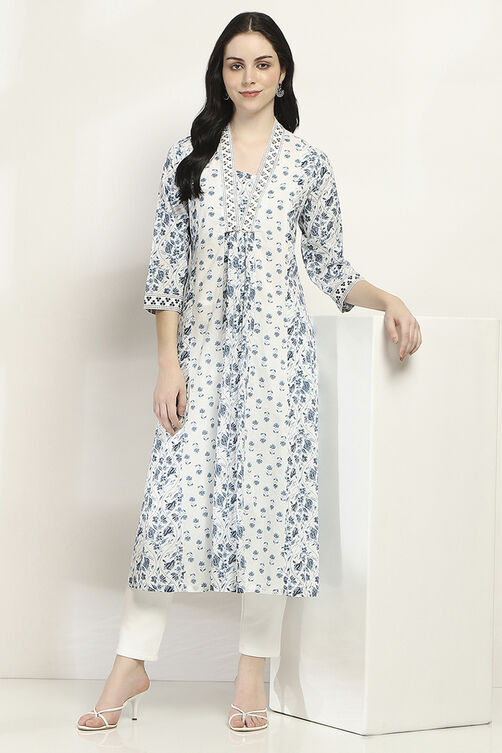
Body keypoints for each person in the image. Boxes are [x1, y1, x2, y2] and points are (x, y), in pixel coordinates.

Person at [77, 11, 422, 733]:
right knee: (170, 509)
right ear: (221, 74)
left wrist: (388, 298)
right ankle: (131, 661)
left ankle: (252, 670)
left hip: (276, 363)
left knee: (269, 509)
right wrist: (167, 362)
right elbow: (167, 267)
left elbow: (330, 267)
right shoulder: (189, 158)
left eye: (263, 63)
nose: (250, 77)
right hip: (199, 357)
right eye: (236, 64)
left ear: (283, 73)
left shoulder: (308, 164)